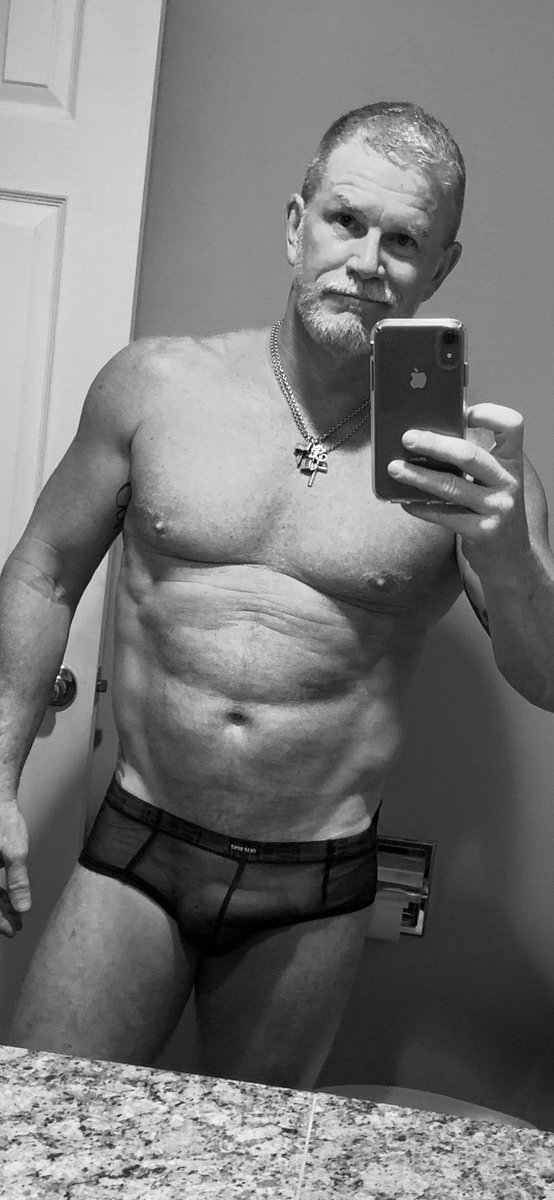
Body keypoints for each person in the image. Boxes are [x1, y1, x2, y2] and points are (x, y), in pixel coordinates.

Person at [2, 101, 554, 1091]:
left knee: (252, 1158)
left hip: (315, 882)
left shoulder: (469, 470)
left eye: (403, 241)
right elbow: (44, 570)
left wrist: (508, 551)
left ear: (439, 269)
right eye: (346, 220)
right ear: (297, 225)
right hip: (139, 839)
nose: (367, 261)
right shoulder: (153, 388)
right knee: (40, 1126)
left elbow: (547, 679)